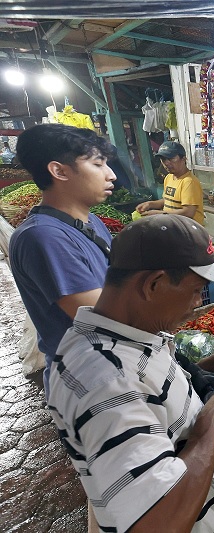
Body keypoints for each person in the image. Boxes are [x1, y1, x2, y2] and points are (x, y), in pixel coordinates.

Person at [48, 214, 214, 532]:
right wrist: (213, 417)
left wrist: (211, 363)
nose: (197, 303)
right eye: (196, 290)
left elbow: (151, 401)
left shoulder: (122, 336)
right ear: (153, 284)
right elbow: (158, 523)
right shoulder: (106, 384)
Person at [9, 123, 116, 399]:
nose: (111, 174)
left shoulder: (91, 222)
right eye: (98, 164)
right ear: (59, 171)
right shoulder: (43, 238)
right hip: (89, 382)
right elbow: (107, 317)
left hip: (113, 366)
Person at [136, 140, 205, 224]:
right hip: (174, 225)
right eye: (163, 159)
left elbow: (188, 212)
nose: (166, 163)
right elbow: (167, 201)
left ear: (183, 159)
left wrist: (160, 214)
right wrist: (150, 204)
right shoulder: (168, 178)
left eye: (171, 158)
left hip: (188, 229)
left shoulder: (189, 181)